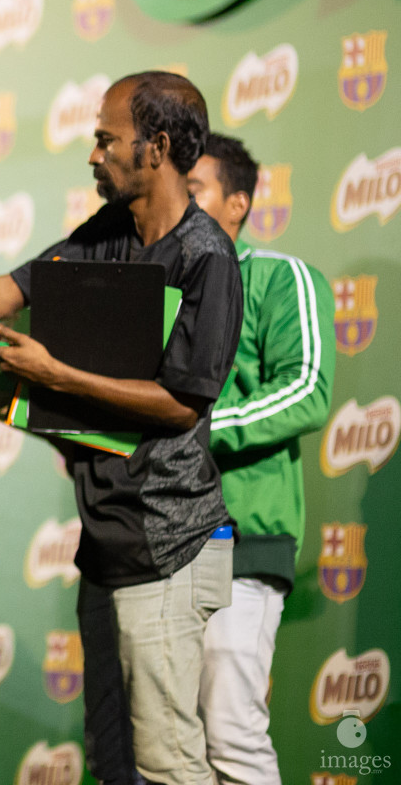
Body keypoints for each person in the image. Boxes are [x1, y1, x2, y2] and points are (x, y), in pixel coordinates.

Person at [0, 72, 242, 785]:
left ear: (156, 148)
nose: (93, 153)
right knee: (113, 759)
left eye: (106, 139)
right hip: (106, 547)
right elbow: (12, 290)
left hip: (168, 547)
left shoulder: (207, 257)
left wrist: (59, 378)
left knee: (169, 764)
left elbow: (182, 404)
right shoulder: (106, 234)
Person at [187, 133, 334, 785]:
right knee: (162, 743)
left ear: (237, 204)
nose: (176, 207)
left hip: (236, 536)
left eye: (194, 193)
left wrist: (187, 429)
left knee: (228, 731)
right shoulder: (151, 291)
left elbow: (306, 389)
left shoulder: (279, 276)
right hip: (149, 548)